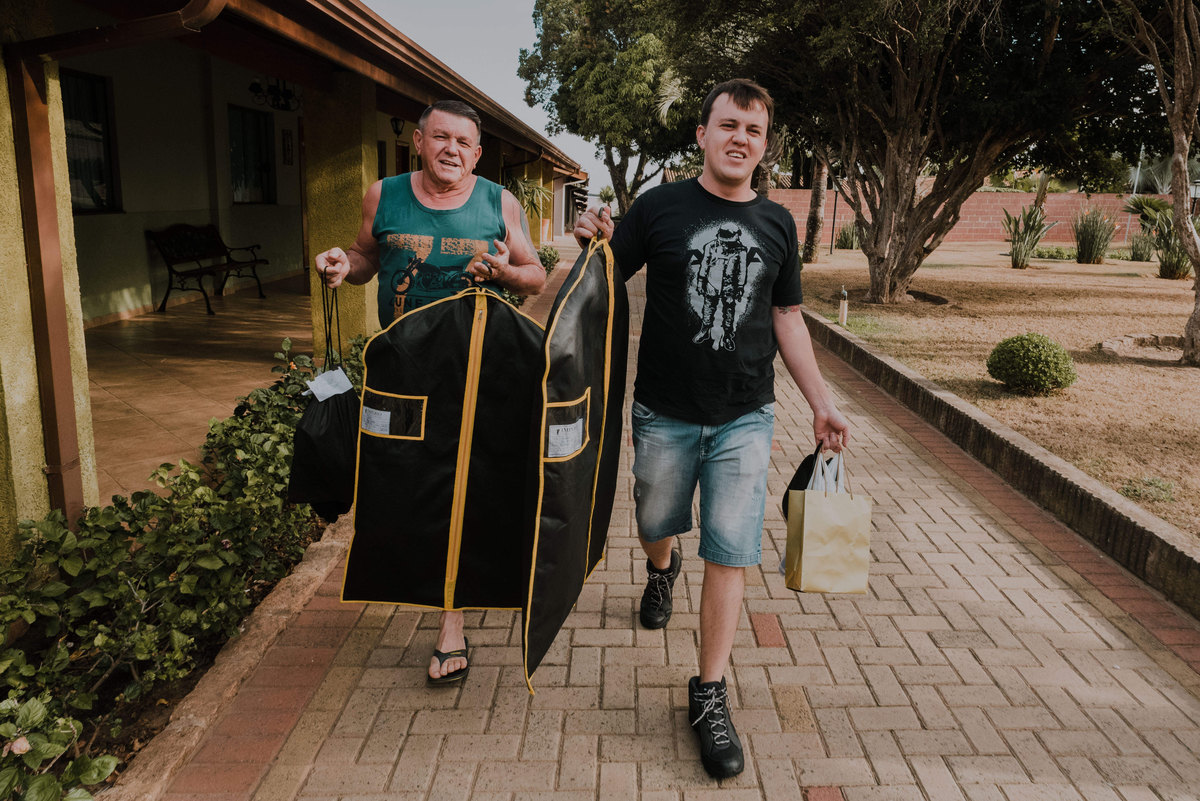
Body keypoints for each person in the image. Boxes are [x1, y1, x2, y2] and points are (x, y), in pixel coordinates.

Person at [573, 79, 851, 778]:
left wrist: (820, 399)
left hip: (745, 416)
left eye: (753, 131)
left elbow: (787, 317)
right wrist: (589, 243)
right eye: (728, 125)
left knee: (730, 551)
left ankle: (708, 693)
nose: (740, 139)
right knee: (655, 520)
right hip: (663, 411)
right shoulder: (660, 207)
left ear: (764, 144)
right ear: (700, 134)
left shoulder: (778, 224)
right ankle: (661, 569)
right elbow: (603, 275)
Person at [315, 99, 545, 685]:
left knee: (463, 487)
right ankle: (406, 578)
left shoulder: (499, 202)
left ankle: (451, 625)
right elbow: (369, 256)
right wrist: (346, 265)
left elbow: (535, 275)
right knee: (403, 485)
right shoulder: (383, 194)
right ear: (417, 141)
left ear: (477, 153)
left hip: (477, 373)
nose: (452, 151)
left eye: (464, 143)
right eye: (440, 138)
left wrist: (501, 274)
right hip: (400, 371)